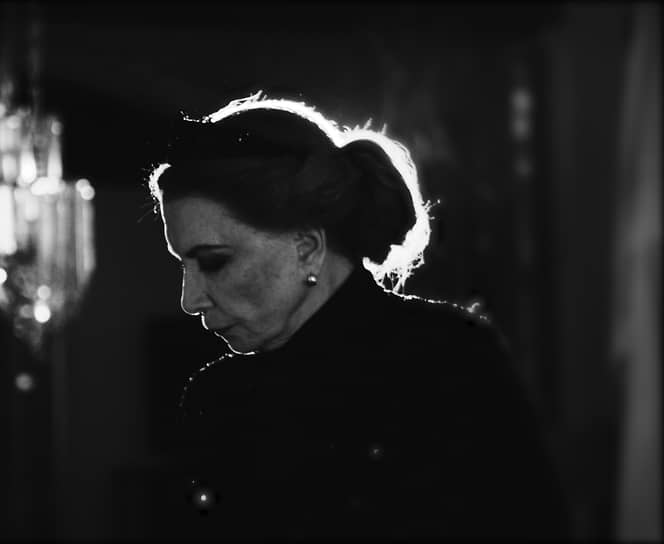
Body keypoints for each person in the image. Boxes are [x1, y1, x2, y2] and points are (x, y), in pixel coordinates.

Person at [146, 92, 570, 539]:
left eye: (214, 262)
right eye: (183, 266)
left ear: (307, 247)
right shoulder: (216, 398)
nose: (190, 299)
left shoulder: (446, 362)